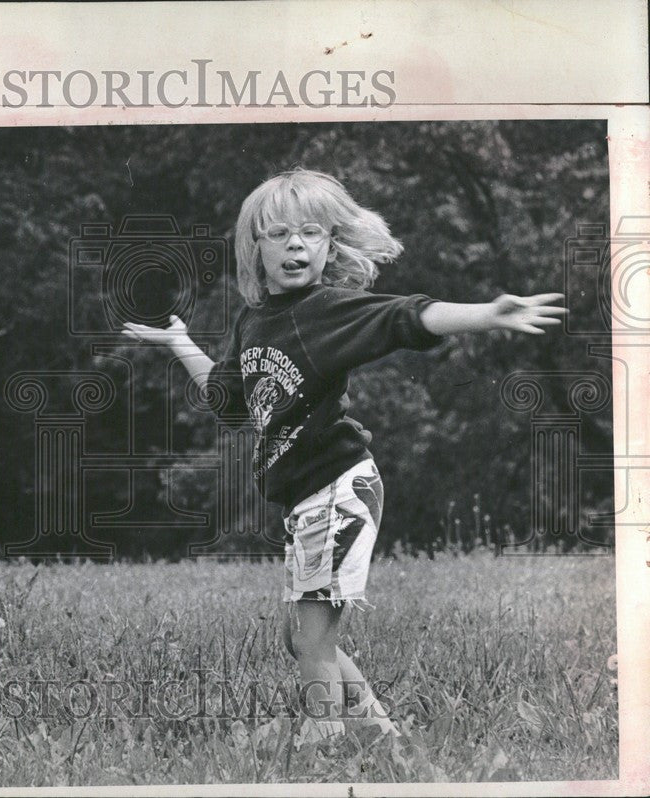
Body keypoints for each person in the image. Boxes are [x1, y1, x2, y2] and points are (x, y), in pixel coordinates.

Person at [121, 169, 566, 740]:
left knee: (311, 637)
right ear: (255, 248)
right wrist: (180, 342)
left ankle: (323, 743)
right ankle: (382, 734)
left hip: (337, 489)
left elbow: (402, 317)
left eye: (311, 232)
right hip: (308, 499)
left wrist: (483, 313)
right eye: (279, 233)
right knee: (301, 636)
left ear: (330, 245)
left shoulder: (324, 310)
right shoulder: (254, 320)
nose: (296, 245)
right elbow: (228, 402)